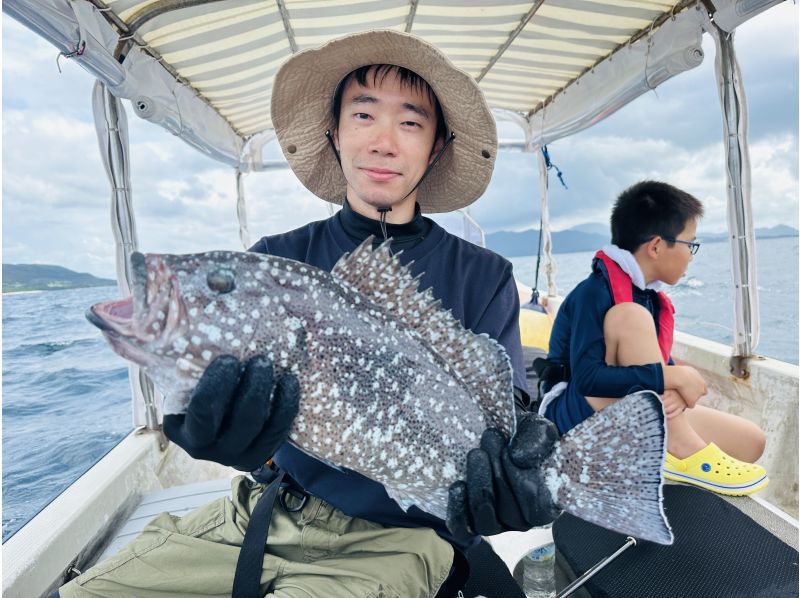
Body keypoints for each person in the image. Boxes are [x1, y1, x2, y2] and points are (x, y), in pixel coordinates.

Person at [58, 30, 559, 598]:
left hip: (404, 537)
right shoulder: (276, 256)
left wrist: (520, 468)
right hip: (263, 513)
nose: (384, 142)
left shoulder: (484, 274)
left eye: (411, 123)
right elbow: (219, 393)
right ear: (334, 133)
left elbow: (508, 411)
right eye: (364, 115)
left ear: (436, 146)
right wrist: (195, 424)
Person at [539, 180, 768, 496]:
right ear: (657, 246)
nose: (691, 256)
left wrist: (672, 385)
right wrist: (672, 376)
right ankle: (679, 448)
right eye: (691, 244)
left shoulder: (646, 296)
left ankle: (659, 456)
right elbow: (588, 380)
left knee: (751, 440)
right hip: (572, 422)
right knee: (629, 316)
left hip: (626, 412)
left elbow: (654, 367)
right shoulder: (594, 293)